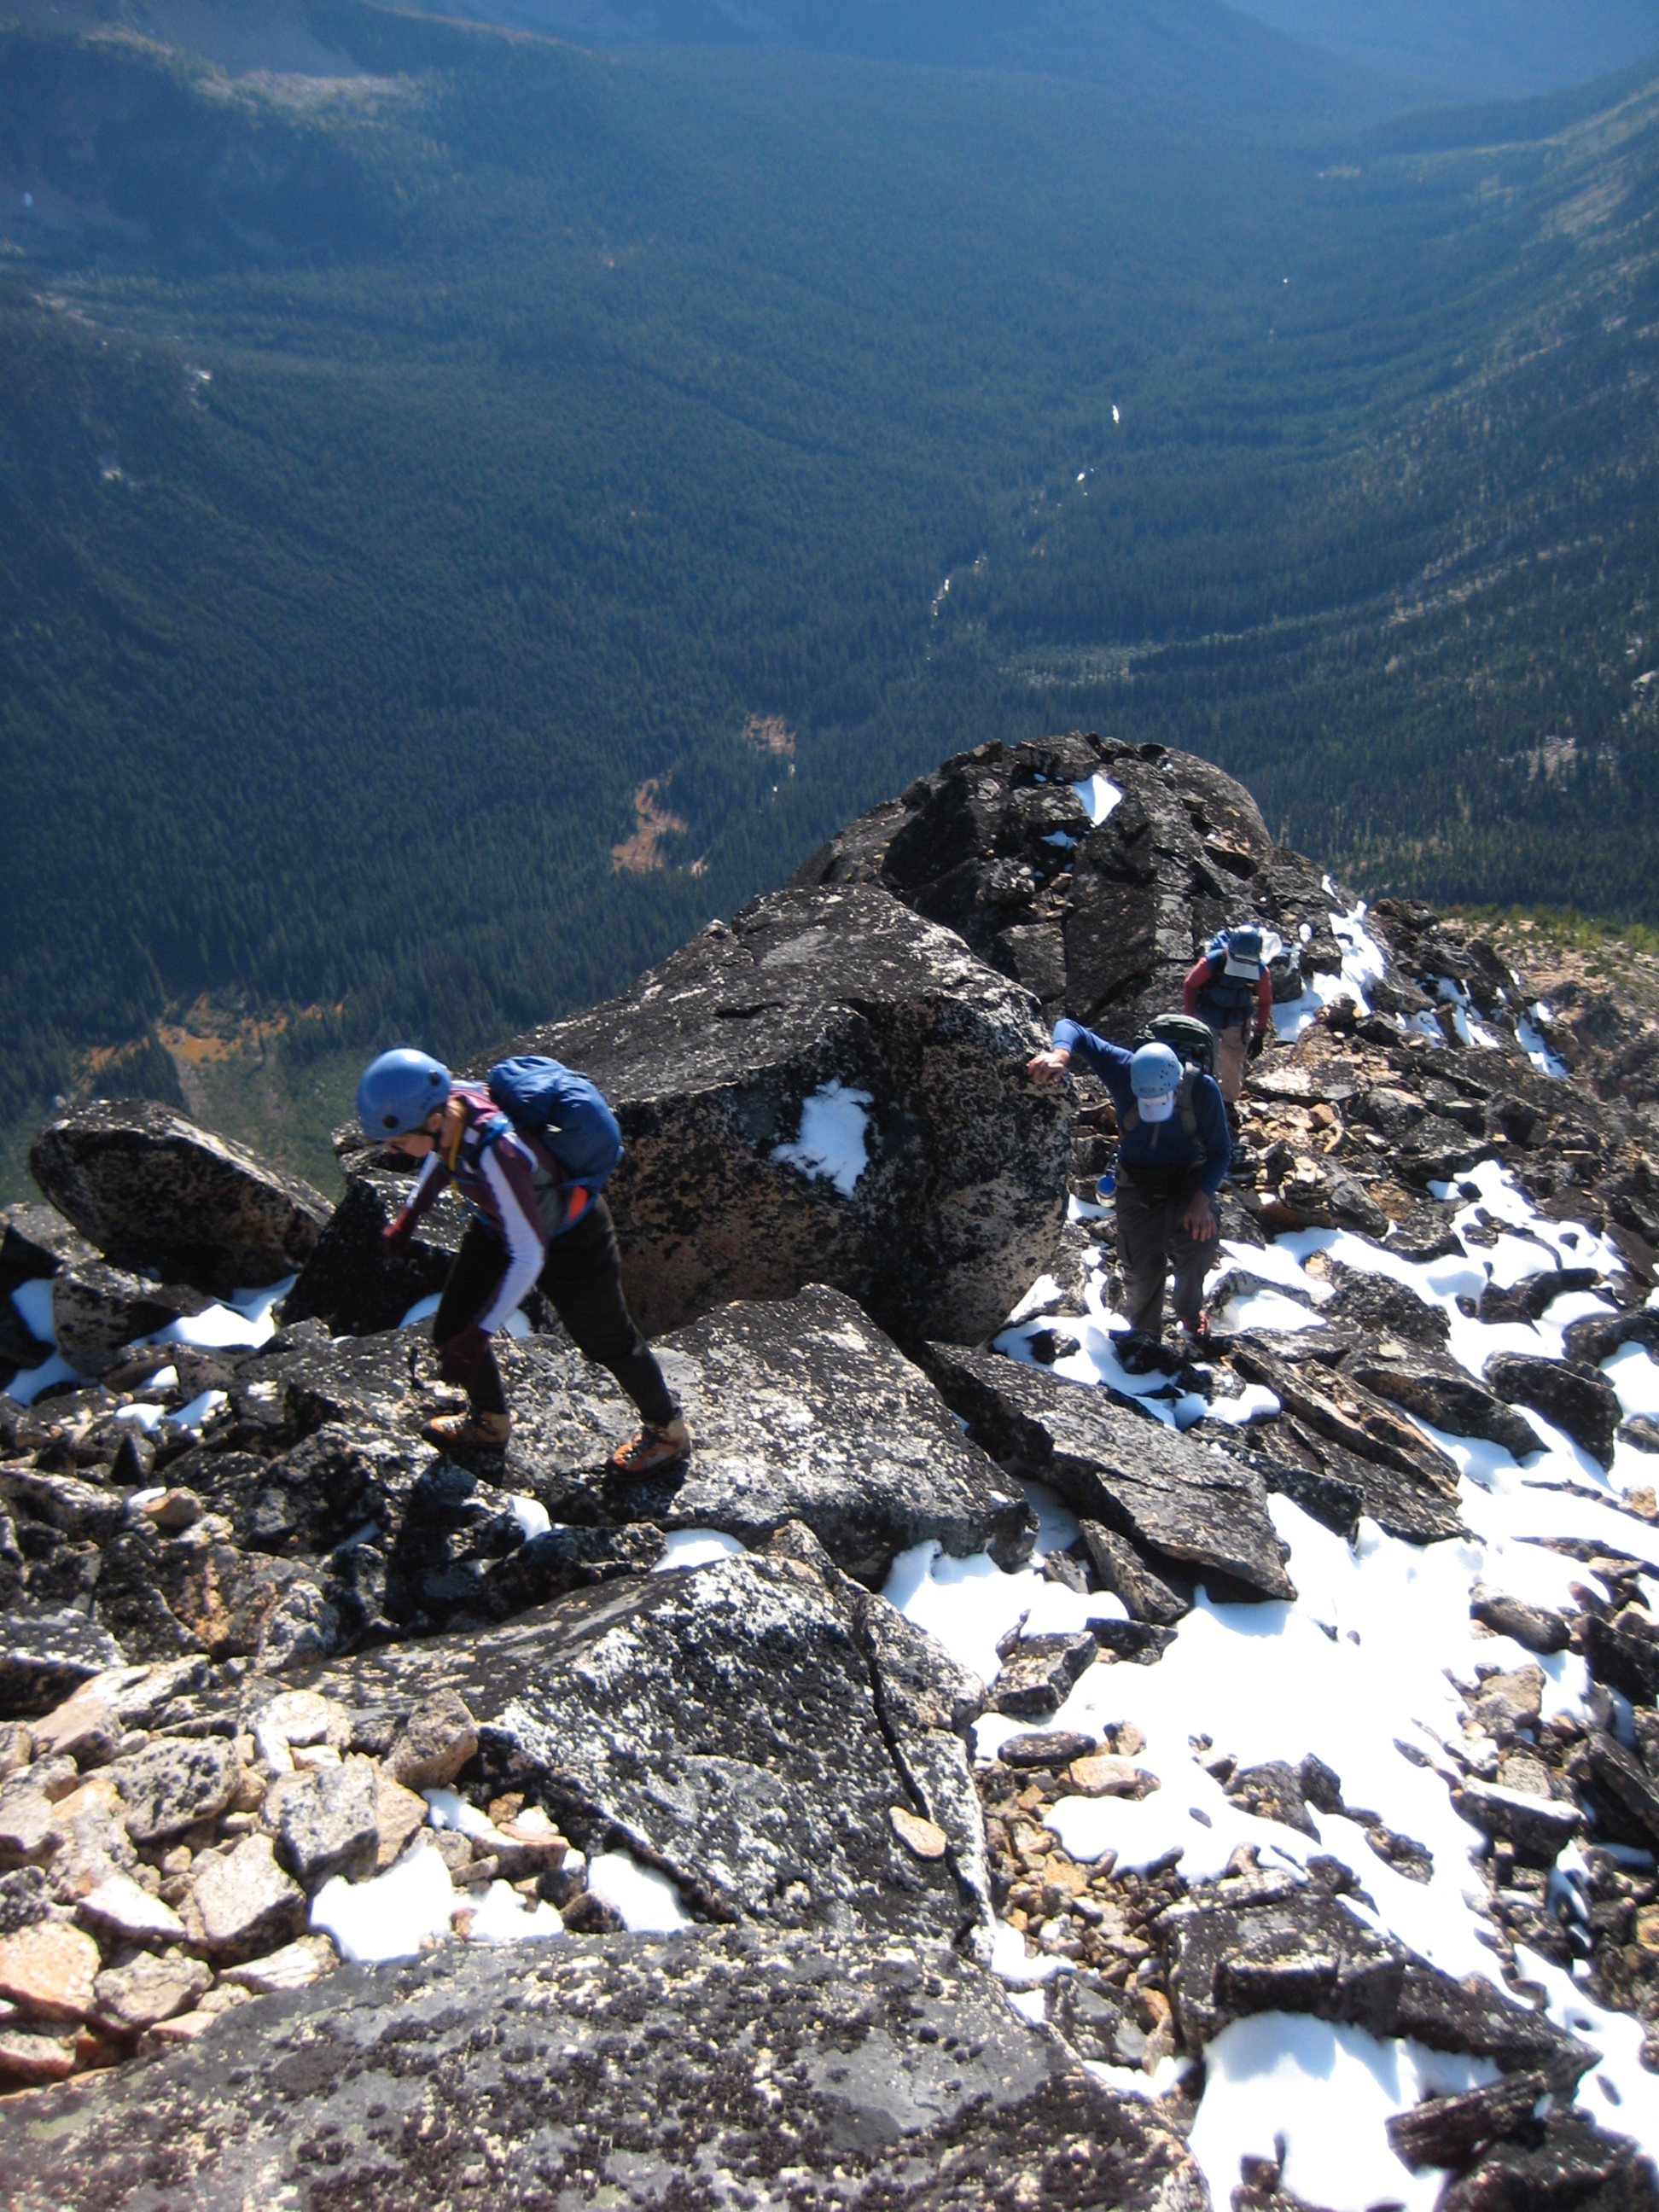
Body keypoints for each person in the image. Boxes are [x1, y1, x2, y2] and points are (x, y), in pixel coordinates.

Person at [356, 1047, 690, 1473]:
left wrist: (479, 1335)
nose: (394, 1149)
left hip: (573, 1242)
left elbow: (530, 1255)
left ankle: (668, 1431)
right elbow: (444, 1158)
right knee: (452, 1323)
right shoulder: (452, 1106)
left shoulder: (499, 1152)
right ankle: (489, 1423)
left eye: (399, 1140)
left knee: (608, 1341)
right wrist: (410, 1214)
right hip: (503, 1220)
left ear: (434, 1121)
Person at [1027, 1026, 1231, 1343]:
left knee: (1200, 1242)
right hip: (1137, 1182)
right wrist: (1060, 1054)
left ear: (1178, 1084)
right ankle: (1144, 1339)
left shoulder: (1202, 1090)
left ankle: (1189, 1312)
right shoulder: (1123, 1068)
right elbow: (1073, 1028)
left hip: (1187, 1183)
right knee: (1142, 1268)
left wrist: (1202, 1199)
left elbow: (1220, 1153)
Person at [1182, 925, 1274, 1104]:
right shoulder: (1212, 962)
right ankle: (1203, 1098)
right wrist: (1191, 1020)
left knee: (1233, 1061)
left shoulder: (1261, 972)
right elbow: (1190, 985)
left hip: (1237, 1020)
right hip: (1208, 1016)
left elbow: (1265, 1001)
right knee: (1205, 1058)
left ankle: (1227, 1102)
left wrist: (1260, 1033)